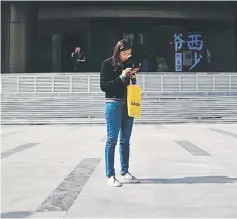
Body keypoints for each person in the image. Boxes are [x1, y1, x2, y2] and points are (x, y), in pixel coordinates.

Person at [100, 39, 139, 187]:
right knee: (112, 140)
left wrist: (133, 79)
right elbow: (104, 86)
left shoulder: (129, 64)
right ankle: (110, 175)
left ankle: (125, 172)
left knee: (125, 139)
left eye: (129, 54)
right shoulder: (107, 64)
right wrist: (122, 77)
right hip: (113, 103)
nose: (127, 56)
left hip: (128, 104)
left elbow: (130, 86)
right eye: (124, 54)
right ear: (118, 51)